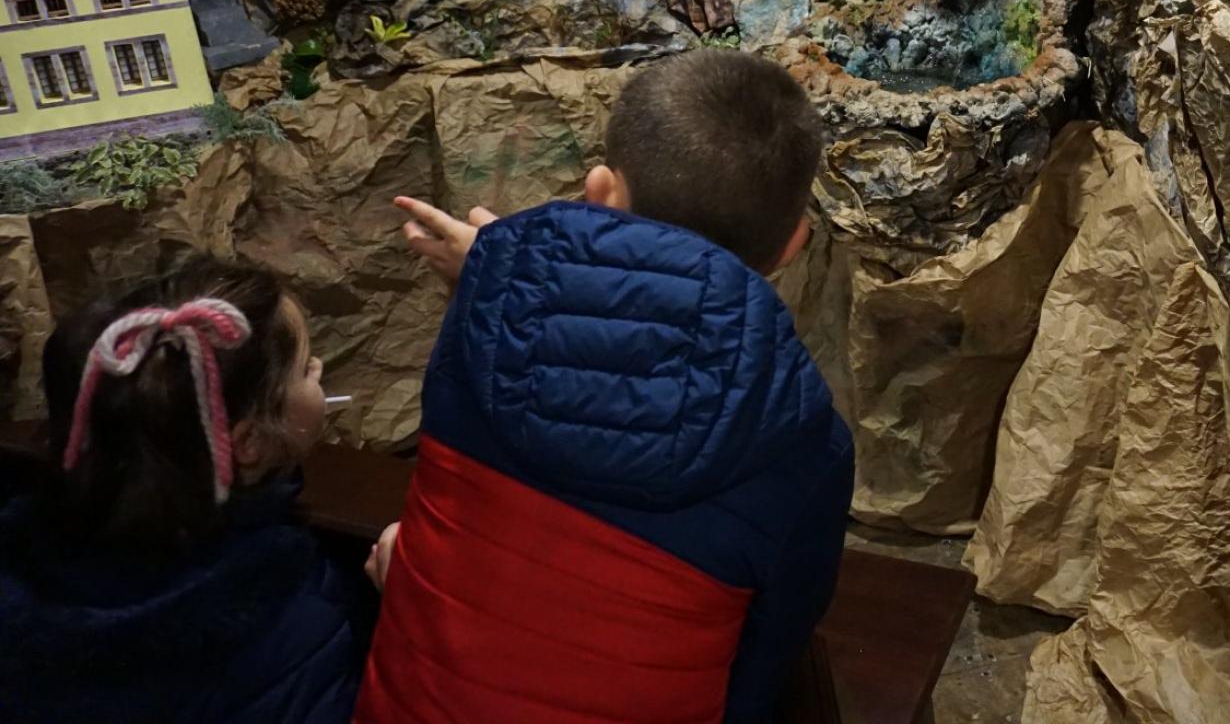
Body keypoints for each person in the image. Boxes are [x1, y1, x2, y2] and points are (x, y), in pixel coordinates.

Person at [358, 48, 853, 724]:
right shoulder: (807, 438)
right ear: (794, 244)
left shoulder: (479, 311)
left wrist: (494, 275)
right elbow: (765, 663)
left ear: (600, 191)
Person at [0, 261, 368, 723]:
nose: (316, 368)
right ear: (249, 442)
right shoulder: (295, 626)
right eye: (303, 370)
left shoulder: (25, 562)